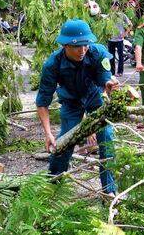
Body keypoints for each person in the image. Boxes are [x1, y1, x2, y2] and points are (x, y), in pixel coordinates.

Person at [36, 19, 120, 197]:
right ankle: (53, 186)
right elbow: (42, 102)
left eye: (86, 45)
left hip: (95, 98)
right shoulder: (53, 64)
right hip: (71, 103)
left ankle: (109, 191)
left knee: (106, 138)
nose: (83, 50)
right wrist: (48, 133)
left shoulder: (98, 53)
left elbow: (105, 79)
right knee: (64, 143)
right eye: (77, 46)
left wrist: (109, 86)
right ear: (65, 44)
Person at [107, 0, 133, 76]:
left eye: (116, 6)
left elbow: (130, 25)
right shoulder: (109, 16)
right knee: (111, 56)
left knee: (120, 56)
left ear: (118, 7)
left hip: (119, 39)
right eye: (113, 5)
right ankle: (112, 72)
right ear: (111, 6)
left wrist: (125, 33)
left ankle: (120, 71)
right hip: (111, 39)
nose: (115, 7)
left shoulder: (122, 15)